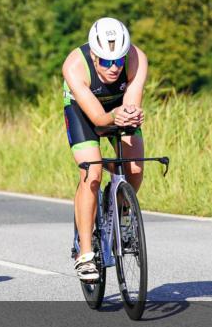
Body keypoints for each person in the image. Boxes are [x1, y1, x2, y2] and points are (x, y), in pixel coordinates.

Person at [62, 17, 148, 282]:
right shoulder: (75, 66)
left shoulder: (136, 59)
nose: (114, 68)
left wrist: (130, 114)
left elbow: (131, 103)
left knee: (134, 168)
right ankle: (85, 253)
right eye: (107, 62)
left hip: (117, 107)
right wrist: (116, 117)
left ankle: (122, 216)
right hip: (84, 112)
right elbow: (99, 121)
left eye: (119, 61)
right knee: (92, 174)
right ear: (93, 55)